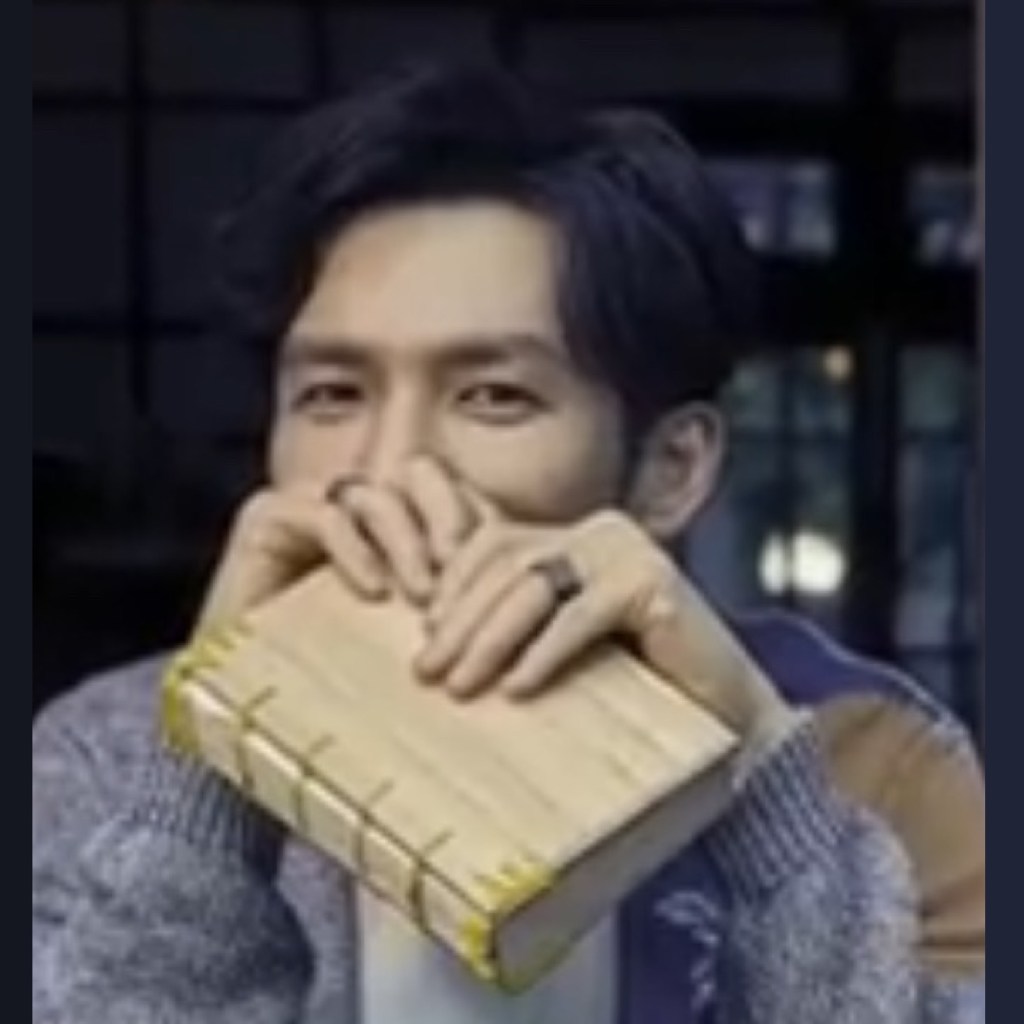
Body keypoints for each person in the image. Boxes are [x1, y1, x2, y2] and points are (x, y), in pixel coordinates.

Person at [32, 61, 984, 1023]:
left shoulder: (879, 759)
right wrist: (215, 769)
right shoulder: (106, 758)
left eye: (494, 396)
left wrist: (761, 785)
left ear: (672, 468)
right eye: (332, 394)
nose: (390, 471)